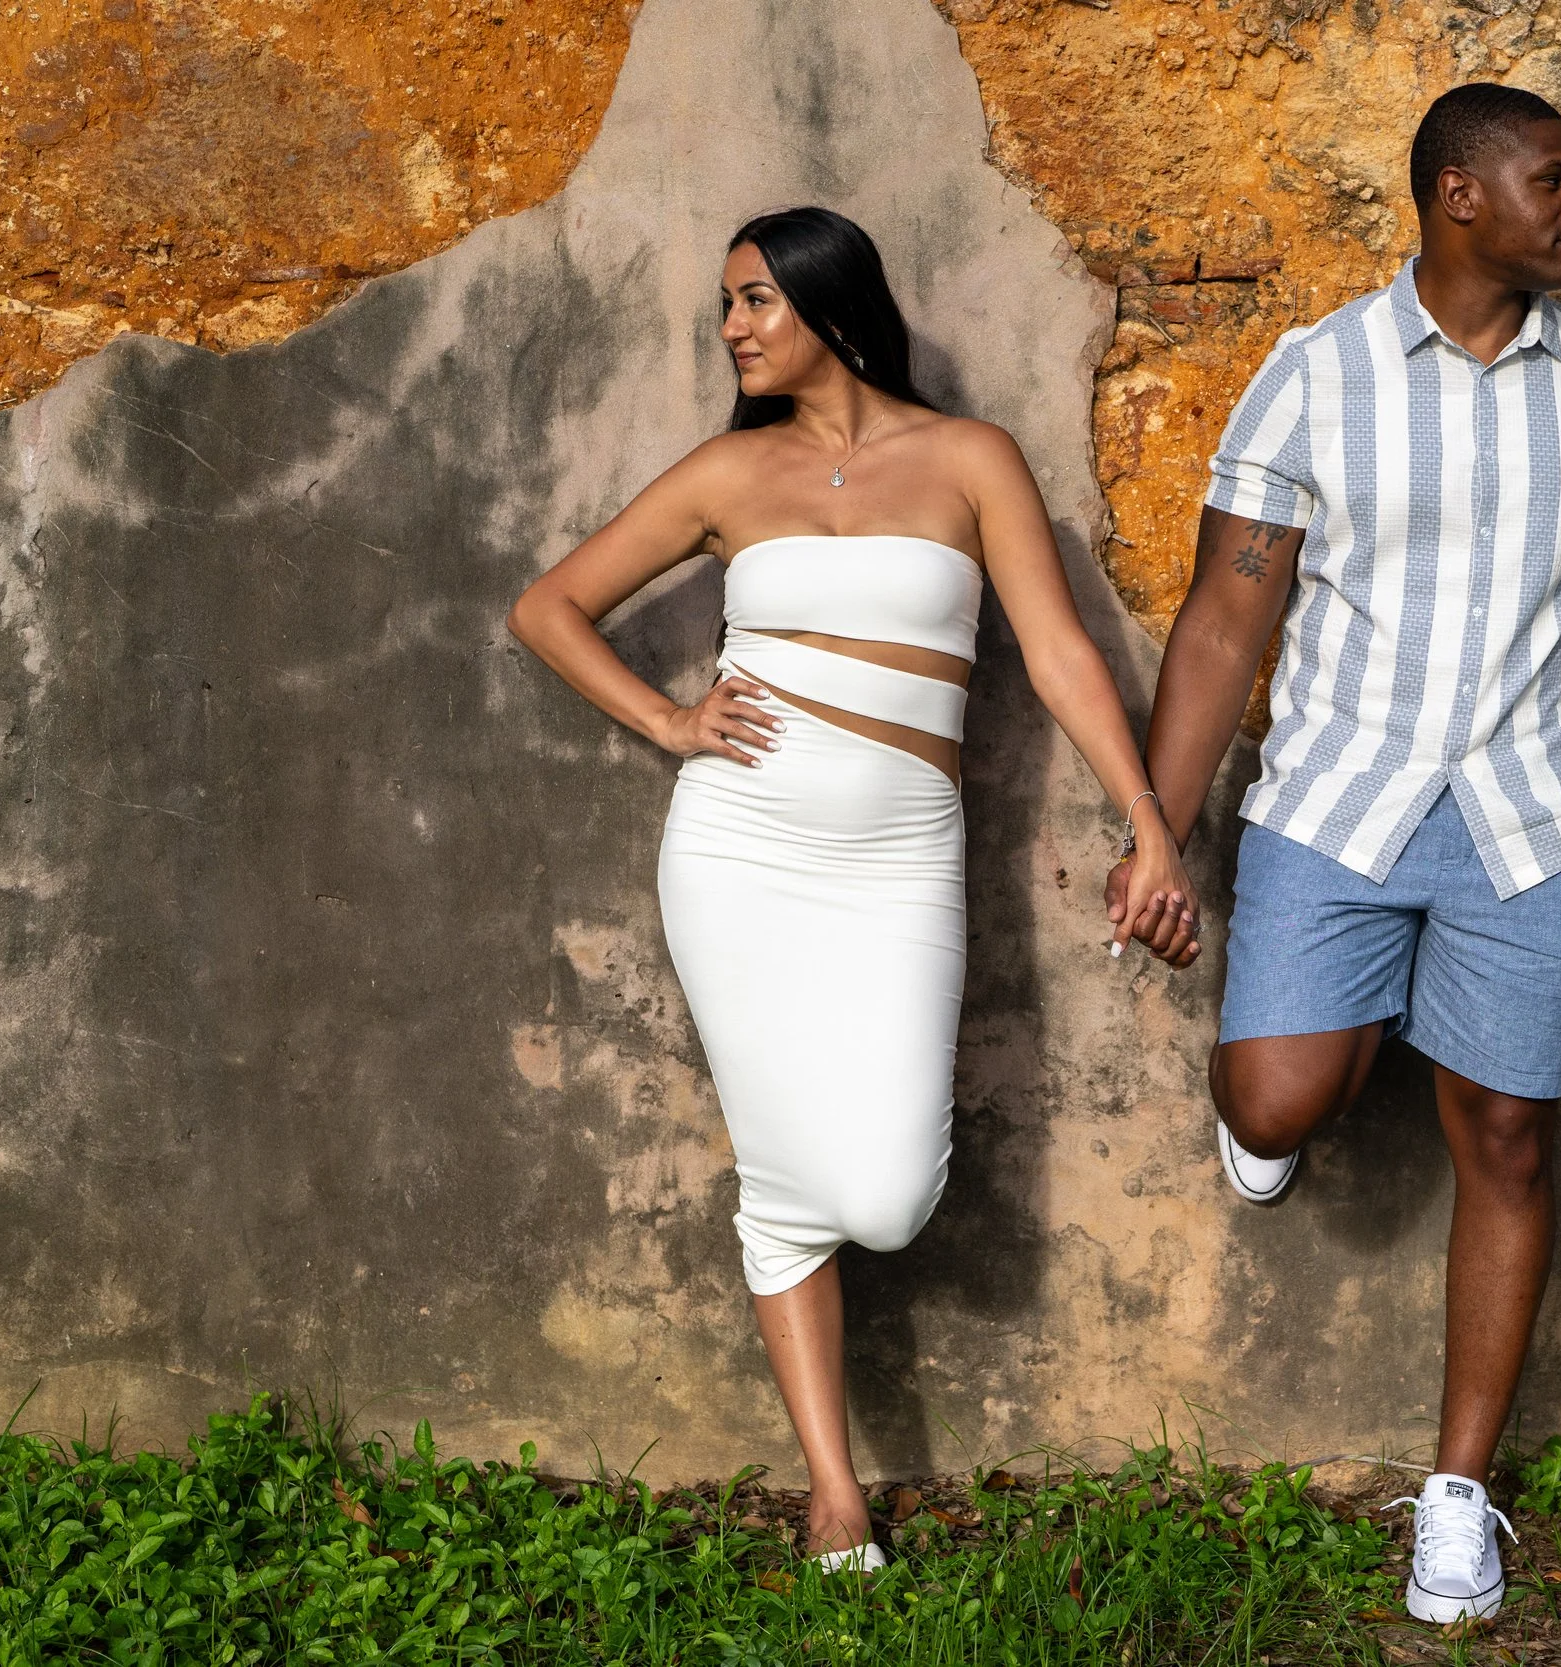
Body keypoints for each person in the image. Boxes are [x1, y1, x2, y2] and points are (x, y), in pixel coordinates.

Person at [510, 206, 1195, 1572]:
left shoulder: (967, 459)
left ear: (830, 301)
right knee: (779, 1173)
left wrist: (1148, 824)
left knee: (889, 1197)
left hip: (898, 856)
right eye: (725, 306)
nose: (732, 328)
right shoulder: (726, 473)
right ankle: (834, 1488)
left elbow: (1058, 651)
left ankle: (832, 1437)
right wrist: (667, 721)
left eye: (755, 299)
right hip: (736, 850)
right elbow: (547, 607)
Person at [1108, 85, 1561, 1623]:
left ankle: (1457, 1493)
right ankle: (1308, 1076)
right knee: (1275, 1088)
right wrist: (1158, 832)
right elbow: (1229, 612)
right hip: (1339, 802)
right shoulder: (1317, 374)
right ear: (1459, 196)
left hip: (1537, 818)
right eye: (1553, 182)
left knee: (1505, 1134)